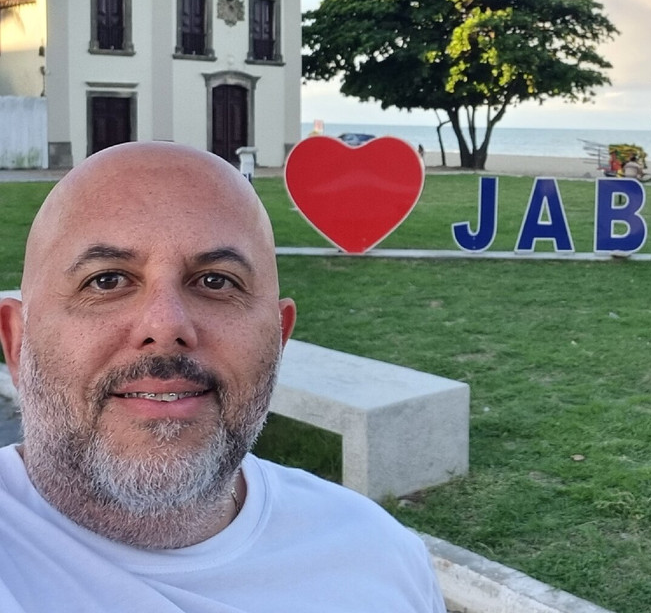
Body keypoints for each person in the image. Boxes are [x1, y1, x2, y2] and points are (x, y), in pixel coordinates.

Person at [0, 142, 446, 612]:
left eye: (217, 281)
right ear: (16, 341)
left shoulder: (381, 555)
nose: (166, 326)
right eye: (107, 280)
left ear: (279, 338)